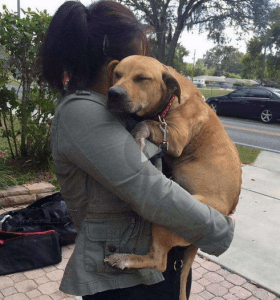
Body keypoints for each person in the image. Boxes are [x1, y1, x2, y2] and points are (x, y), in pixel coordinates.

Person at [39, 1, 235, 300]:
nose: (144, 65)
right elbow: (150, 191)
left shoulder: (121, 108)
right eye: (138, 59)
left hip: (159, 261)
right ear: (115, 65)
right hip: (125, 280)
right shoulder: (84, 112)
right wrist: (221, 229)